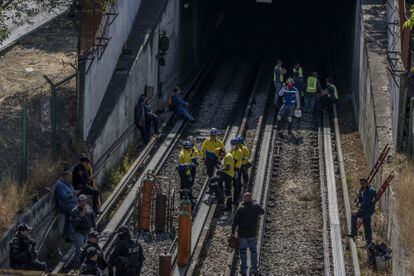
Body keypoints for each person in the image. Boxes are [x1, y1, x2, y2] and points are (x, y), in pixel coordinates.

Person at [231, 192, 264, 276]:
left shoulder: (240, 208)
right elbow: (262, 211)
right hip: (252, 234)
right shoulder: (256, 207)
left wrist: (232, 232)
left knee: (243, 252)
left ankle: (244, 270)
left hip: (242, 235)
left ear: (244, 199)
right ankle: (254, 269)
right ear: (251, 198)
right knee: (253, 251)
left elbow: (235, 222)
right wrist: (256, 203)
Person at [348, 178, 377, 246]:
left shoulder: (371, 190)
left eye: (363, 184)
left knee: (354, 215)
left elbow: (366, 203)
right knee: (366, 225)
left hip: (368, 210)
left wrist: (358, 210)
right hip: (366, 210)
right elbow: (362, 201)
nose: (362, 185)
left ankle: (353, 233)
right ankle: (368, 241)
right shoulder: (364, 190)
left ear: (367, 183)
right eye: (361, 184)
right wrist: (359, 195)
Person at [71, 194, 97, 268]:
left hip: (88, 232)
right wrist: (80, 216)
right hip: (79, 232)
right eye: (81, 201)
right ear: (78, 202)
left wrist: (95, 229)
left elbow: (93, 219)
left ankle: (85, 263)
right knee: (79, 250)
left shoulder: (88, 208)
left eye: (84, 201)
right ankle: (77, 265)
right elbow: (73, 223)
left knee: (88, 249)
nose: (83, 203)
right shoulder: (74, 211)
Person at [55, 171, 78, 242]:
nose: (71, 179)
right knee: (70, 220)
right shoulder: (60, 185)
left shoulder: (68, 184)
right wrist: (73, 194)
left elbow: (72, 192)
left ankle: (70, 234)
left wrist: (75, 193)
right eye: (69, 177)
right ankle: (68, 236)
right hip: (67, 206)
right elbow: (63, 197)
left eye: (71, 177)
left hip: (72, 204)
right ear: (64, 177)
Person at [230, 137, 244, 207]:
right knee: (233, 184)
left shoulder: (239, 151)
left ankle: (235, 200)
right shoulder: (232, 150)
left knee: (236, 184)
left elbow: (238, 161)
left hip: (236, 169)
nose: (233, 146)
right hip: (231, 168)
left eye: (234, 145)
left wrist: (236, 170)